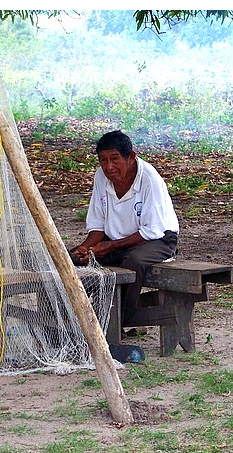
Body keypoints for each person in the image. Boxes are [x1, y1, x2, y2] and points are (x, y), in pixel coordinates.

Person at [69, 130, 179, 329]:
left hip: (158, 240)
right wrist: (84, 249)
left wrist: (110, 246)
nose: (108, 167)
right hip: (117, 241)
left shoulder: (149, 179)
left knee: (133, 262)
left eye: (115, 159)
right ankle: (72, 321)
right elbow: (98, 226)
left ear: (130, 158)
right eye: (103, 160)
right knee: (72, 259)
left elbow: (152, 230)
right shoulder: (101, 178)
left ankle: (118, 323)